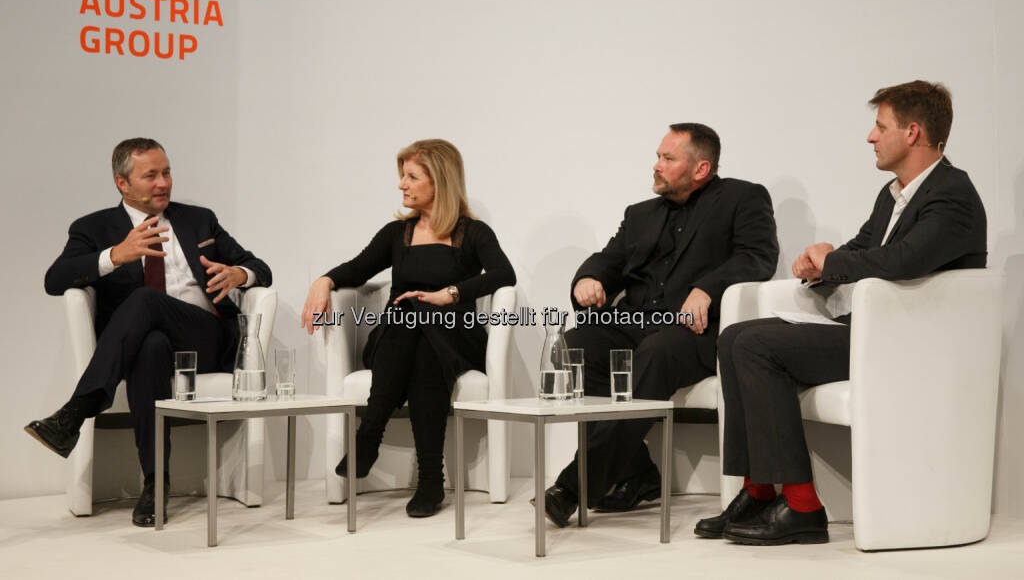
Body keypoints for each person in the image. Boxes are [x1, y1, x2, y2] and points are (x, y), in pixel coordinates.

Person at [698, 80, 987, 545]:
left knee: (755, 344)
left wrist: (836, 261)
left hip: (908, 339)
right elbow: (863, 249)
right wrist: (820, 264)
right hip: (871, 329)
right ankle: (759, 489)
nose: (871, 136)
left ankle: (802, 508)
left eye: (880, 126)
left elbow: (903, 260)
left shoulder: (952, 195)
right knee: (734, 336)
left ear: (912, 133)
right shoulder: (893, 194)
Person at [539, 123, 779, 528]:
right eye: (658, 156)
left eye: (668, 158)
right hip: (635, 323)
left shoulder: (743, 198)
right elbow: (608, 258)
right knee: (573, 345)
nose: (656, 165)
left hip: (694, 332)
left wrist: (708, 287)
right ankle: (637, 472)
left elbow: (758, 257)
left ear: (700, 168)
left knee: (656, 353)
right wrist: (588, 278)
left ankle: (573, 487)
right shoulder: (640, 214)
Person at [26, 138, 272, 527]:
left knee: (144, 301)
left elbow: (259, 266)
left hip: (203, 337)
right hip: (141, 346)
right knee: (150, 346)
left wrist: (240, 274)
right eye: (151, 175)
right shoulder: (94, 228)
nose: (163, 183)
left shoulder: (198, 219)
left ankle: (77, 411)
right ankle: (156, 485)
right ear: (122, 183)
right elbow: (55, 280)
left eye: (167, 172)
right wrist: (114, 256)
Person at [301, 139, 515, 518]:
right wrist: (323, 281)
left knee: (421, 317)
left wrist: (448, 295)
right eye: (402, 176)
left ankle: (369, 435)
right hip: (398, 336)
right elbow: (356, 269)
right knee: (414, 324)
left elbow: (503, 274)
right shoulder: (397, 234)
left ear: (439, 182)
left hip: (454, 336)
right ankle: (430, 479)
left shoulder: (473, 233)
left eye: (412, 177)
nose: (402, 184)